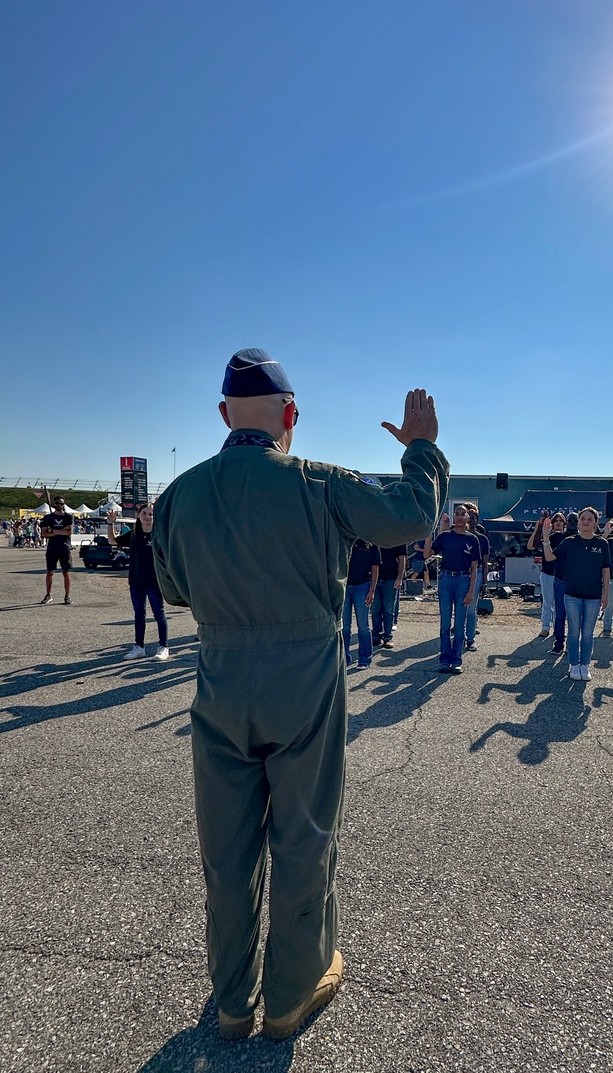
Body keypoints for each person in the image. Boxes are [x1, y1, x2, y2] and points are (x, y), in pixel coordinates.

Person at [152, 349, 446, 1042]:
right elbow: (409, 517)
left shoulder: (178, 497)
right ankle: (288, 995)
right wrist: (423, 448)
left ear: (224, 415)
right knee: (304, 835)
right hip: (304, 681)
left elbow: (175, 589)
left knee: (226, 850)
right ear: (290, 416)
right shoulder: (319, 483)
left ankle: (232, 999)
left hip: (220, 678)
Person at [542, 506, 609, 682]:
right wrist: (546, 536)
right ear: (578, 521)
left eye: (589, 519)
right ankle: (573, 664)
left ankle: (584, 665)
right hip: (571, 594)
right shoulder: (569, 542)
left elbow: (606, 571)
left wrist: (606, 594)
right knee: (573, 632)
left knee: (588, 633)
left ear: (595, 523)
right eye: (583, 519)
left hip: (594, 596)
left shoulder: (602, 544)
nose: (585, 522)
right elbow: (550, 558)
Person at [108, 505, 169, 660]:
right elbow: (113, 541)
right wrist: (110, 524)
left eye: (151, 514)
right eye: (144, 513)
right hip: (136, 581)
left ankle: (163, 647)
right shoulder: (134, 534)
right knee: (139, 615)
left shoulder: (159, 534)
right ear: (139, 515)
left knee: (159, 614)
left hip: (155, 581)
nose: (147, 517)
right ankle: (139, 647)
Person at [425, 504, 478, 673]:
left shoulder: (472, 539)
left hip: (463, 580)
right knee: (445, 623)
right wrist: (428, 533)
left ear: (468, 518)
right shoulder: (445, 536)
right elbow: (427, 554)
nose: (460, 517)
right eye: (457, 514)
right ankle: (444, 660)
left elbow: (474, 568)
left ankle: (456, 660)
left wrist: (471, 591)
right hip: (446, 580)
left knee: (460, 623)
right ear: (454, 517)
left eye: (464, 514)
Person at [527, 511, 565, 642]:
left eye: (561, 521)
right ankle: (545, 627)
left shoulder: (567, 538)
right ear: (552, 524)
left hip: (562, 575)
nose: (558, 523)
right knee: (547, 602)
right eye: (556, 521)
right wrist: (539, 526)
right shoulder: (547, 536)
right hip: (547, 574)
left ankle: (558, 628)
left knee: (560, 604)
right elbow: (531, 545)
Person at [343, 539, 380, 667]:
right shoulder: (346, 541)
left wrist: (372, 590)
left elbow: (375, 568)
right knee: (344, 626)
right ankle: (343, 658)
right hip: (345, 585)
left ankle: (365, 658)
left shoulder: (372, 544)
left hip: (363, 586)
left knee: (363, 625)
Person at [463, 504, 490, 653]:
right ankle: (460, 635)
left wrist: (484, 583)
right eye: (469, 517)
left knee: (472, 608)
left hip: (477, 572)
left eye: (474, 518)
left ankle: (470, 639)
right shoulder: (459, 535)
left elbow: (485, 563)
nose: (471, 520)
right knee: (461, 607)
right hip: (461, 573)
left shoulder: (482, 539)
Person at [40, 497, 74, 604]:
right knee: (50, 572)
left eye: (61, 503)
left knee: (66, 572)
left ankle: (67, 596)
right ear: (54, 504)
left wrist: (52, 530)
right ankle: (48, 595)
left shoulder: (68, 516)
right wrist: (60, 531)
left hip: (64, 547)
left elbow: (69, 531)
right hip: (52, 547)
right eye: (57, 503)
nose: (59, 505)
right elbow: (44, 534)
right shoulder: (48, 517)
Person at [373, 541, 407, 648]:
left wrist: (400, 578)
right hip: (374, 578)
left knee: (388, 609)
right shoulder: (374, 535)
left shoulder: (397, 536)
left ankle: (388, 637)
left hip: (391, 577)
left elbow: (402, 558)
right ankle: (376, 636)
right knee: (375, 609)